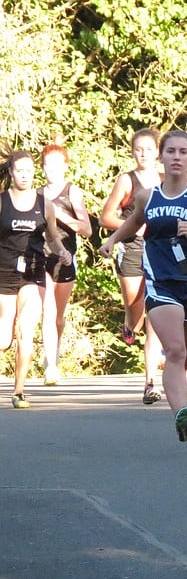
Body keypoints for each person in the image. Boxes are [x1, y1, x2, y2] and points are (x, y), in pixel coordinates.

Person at [99, 130, 187, 441]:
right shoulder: (148, 196)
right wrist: (113, 239)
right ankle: (180, 411)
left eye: (183, 152)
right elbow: (134, 221)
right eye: (171, 152)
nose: (177, 157)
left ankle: (178, 391)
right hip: (160, 283)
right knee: (174, 350)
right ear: (162, 156)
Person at [1, 148, 72, 408]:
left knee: (26, 330)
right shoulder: (2, 201)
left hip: (32, 272)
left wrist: (63, 252)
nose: (24, 175)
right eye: (19, 171)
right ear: (11, 172)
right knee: (3, 339)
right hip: (3, 273)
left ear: (34, 172)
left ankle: (19, 391)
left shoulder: (45, 204)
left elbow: (52, 237)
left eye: (28, 171)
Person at [100, 128, 164, 404]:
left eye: (149, 149)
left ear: (157, 152)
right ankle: (129, 324)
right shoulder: (127, 180)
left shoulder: (167, 180)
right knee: (136, 312)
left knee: (155, 314)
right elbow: (106, 217)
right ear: (132, 152)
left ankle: (150, 383)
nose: (144, 154)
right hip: (133, 249)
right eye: (139, 149)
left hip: (160, 253)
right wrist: (134, 229)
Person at [38, 142, 93, 385]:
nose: (53, 170)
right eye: (48, 165)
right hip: (40, 255)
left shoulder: (72, 192)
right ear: (42, 168)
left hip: (66, 257)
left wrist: (59, 215)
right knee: (47, 311)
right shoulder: (36, 194)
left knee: (58, 315)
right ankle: (51, 365)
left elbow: (87, 230)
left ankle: (54, 352)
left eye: (57, 165)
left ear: (65, 167)